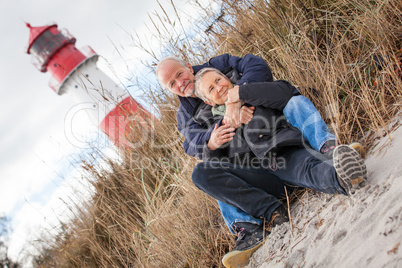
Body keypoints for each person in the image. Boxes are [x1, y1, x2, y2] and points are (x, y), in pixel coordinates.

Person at [155, 54, 355, 267]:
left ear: (188, 65)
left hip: (279, 155)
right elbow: (192, 144)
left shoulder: (226, 71)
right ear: (207, 102)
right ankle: (259, 220)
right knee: (204, 170)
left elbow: (266, 74)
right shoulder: (195, 117)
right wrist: (212, 139)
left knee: (305, 165)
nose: (180, 83)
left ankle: (339, 169)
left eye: (179, 74)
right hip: (257, 174)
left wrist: (238, 96)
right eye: (172, 84)